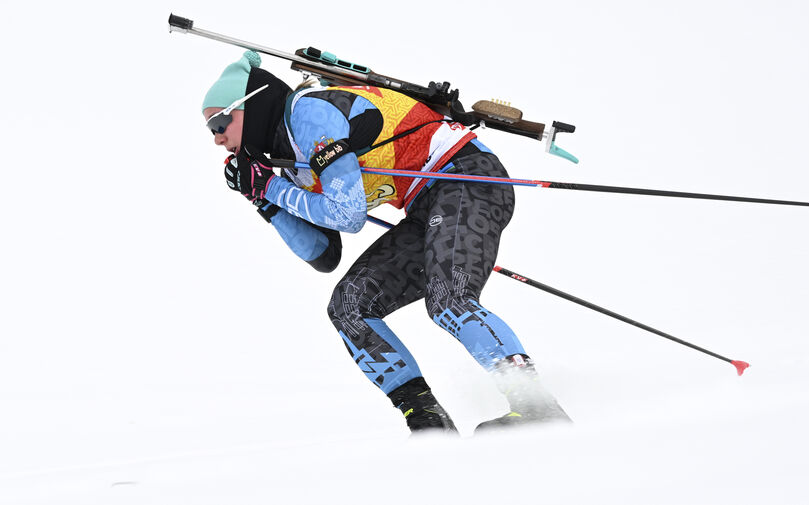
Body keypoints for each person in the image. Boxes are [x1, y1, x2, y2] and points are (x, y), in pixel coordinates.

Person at [201, 51, 570, 434]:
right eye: (210, 130)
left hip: (465, 175)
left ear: (254, 104)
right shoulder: (289, 160)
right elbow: (322, 253)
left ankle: (537, 405)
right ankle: (427, 421)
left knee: (448, 298)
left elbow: (348, 215)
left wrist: (272, 188)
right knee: (349, 306)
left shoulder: (308, 114)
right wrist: (263, 199)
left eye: (220, 122)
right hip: (425, 202)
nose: (217, 138)